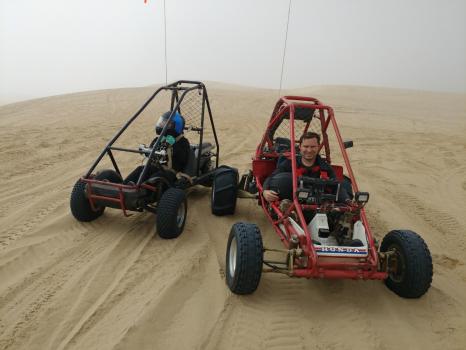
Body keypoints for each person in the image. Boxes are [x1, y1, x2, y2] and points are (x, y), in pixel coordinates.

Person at [263, 131, 350, 203]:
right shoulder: (290, 163)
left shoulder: (325, 167)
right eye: (306, 146)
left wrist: (347, 201)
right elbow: (271, 177)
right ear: (300, 147)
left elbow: (337, 186)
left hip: (317, 203)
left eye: (313, 147)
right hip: (293, 202)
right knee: (286, 179)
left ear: (318, 147)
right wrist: (265, 191)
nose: (309, 150)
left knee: (345, 183)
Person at [125, 111, 191, 185]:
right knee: (141, 169)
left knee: (157, 177)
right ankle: (124, 186)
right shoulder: (158, 140)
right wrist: (147, 152)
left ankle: (141, 191)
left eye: (166, 123)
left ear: (176, 127)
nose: (161, 125)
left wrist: (165, 152)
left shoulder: (183, 143)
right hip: (156, 168)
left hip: (172, 173)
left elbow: (180, 161)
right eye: (162, 122)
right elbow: (150, 152)